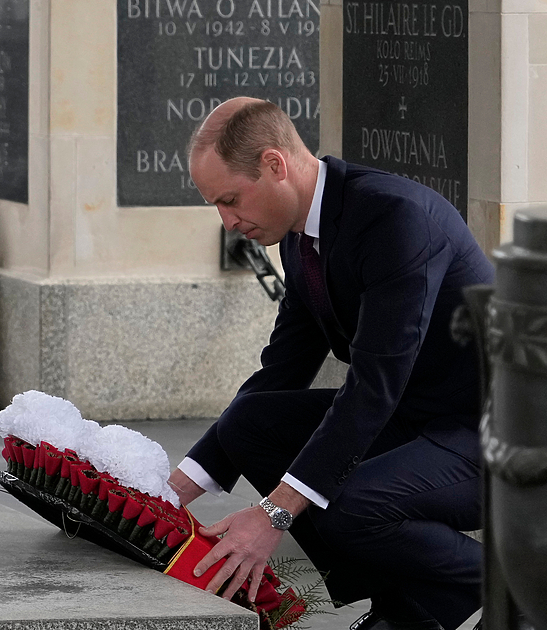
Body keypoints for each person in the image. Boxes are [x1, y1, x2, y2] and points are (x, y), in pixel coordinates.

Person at [169, 97, 491, 630]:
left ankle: (501, 583)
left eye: (229, 200)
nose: (226, 222)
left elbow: (374, 383)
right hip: (414, 419)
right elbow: (282, 369)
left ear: (275, 164)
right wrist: (176, 486)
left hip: (490, 431)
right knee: (250, 424)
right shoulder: (301, 237)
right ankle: (411, 600)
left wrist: (273, 513)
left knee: (344, 505)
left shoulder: (394, 216)